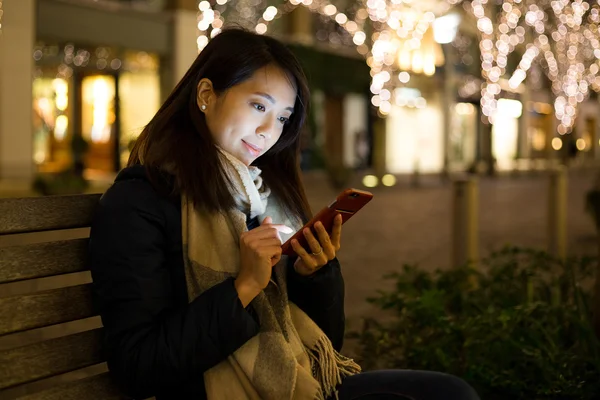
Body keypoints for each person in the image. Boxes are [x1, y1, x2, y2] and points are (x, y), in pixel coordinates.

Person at [88, 28, 479, 400]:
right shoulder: (139, 204)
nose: (267, 130)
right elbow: (137, 368)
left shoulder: (259, 200)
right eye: (259, 105)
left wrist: (315, 275)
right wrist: (243, 287)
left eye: (282, 118)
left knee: (447, 392)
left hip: (296, 383)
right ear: (206, 94)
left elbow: (327, 341)